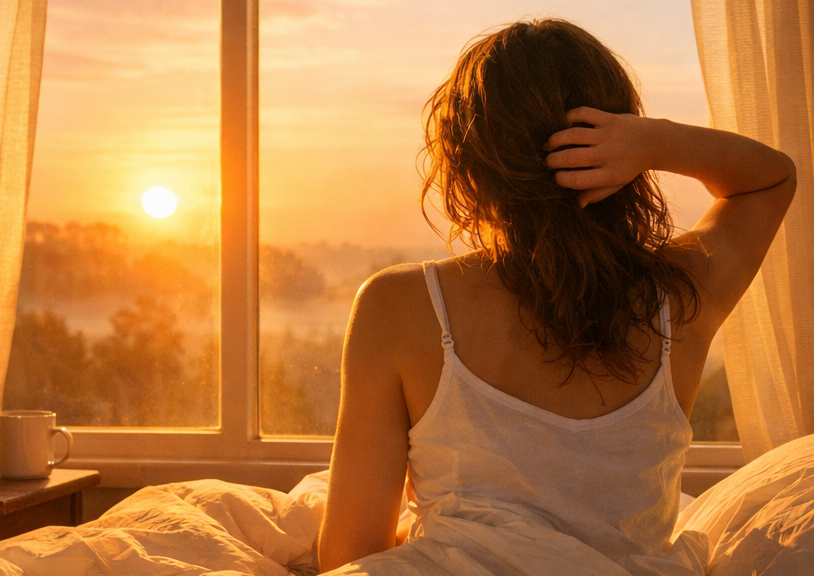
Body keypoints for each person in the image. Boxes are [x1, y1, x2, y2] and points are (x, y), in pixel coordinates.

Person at [316, 18, 796, 576]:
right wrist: (654, 140)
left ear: (469, 163)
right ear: (626, 149)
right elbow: (771, 179)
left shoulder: (398, 305)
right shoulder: (678, 295)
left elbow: (350, 553)